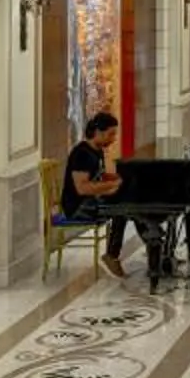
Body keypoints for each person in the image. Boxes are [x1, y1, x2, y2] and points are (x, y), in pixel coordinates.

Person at [62, 110, 130, 276]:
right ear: (98, 132)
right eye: (111, 134)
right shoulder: (81, 154)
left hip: (90, 201)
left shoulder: (97, 150)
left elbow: (99, 176)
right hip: (78, 207)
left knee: (130, 204)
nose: (113, 139)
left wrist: (118, 178)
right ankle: (111, 255)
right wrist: (111, 185)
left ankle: (153, 248)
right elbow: (82, 188)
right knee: (122, 209)